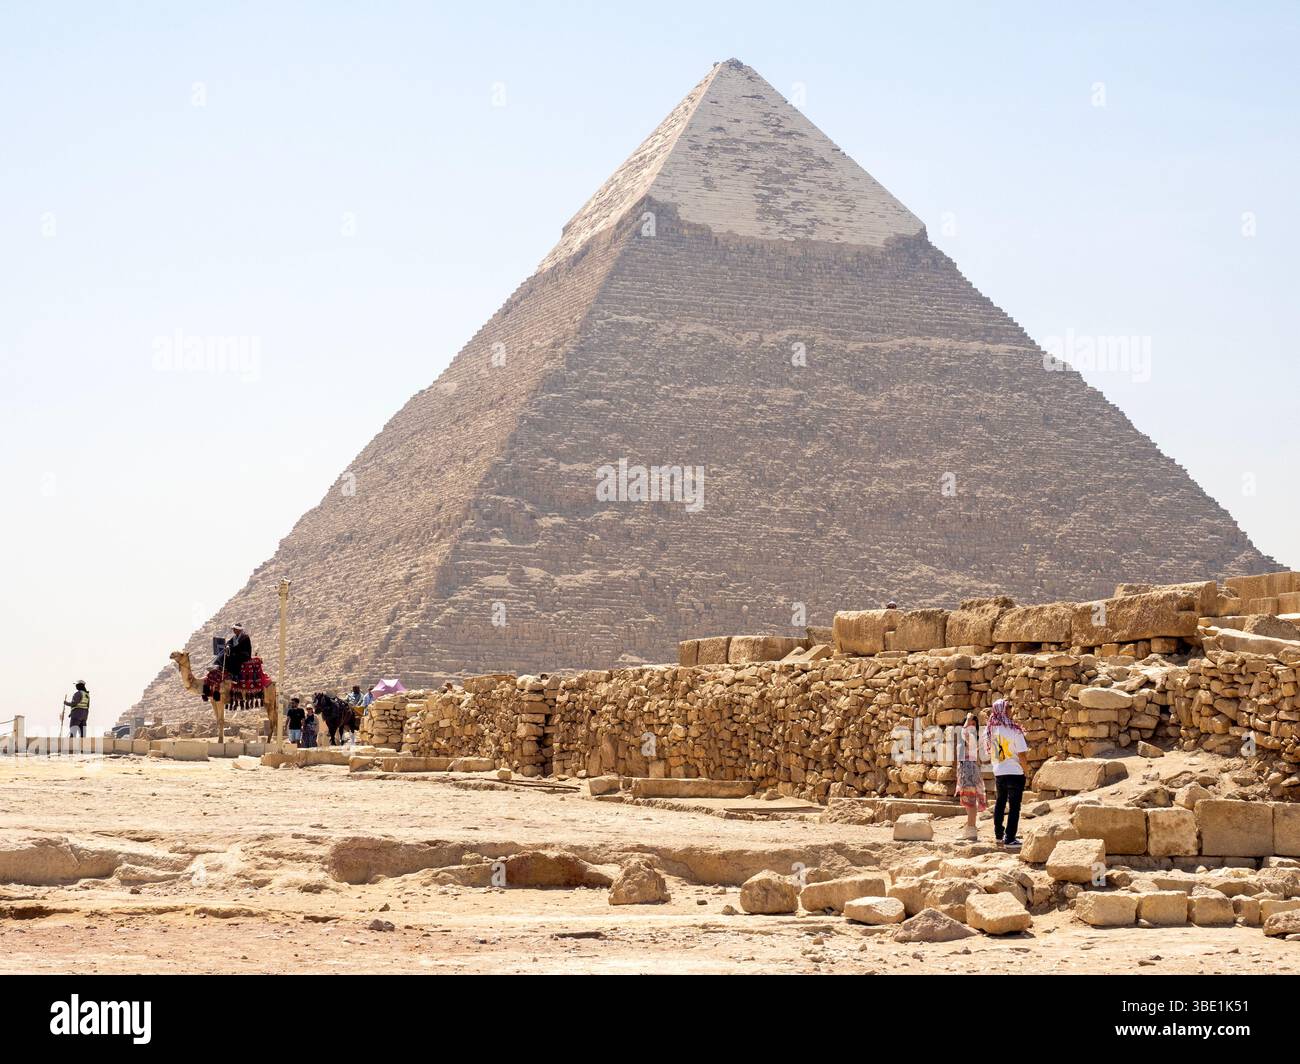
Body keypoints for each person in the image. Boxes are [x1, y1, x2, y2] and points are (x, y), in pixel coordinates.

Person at [983, 698, 1030, 847]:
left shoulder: (991, 729)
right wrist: (1026, 771)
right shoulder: (1014, 729)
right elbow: (1022, 754)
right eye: (1009, 707)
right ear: (1003, 710)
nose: (1011, 710)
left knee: (1000, 803)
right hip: (1014, 772)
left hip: (999, 772)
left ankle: (999, 835)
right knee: (1015, 806)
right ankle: (1010, 838)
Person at [954, 710, 986, 840]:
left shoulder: (970, 735)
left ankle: (971, 831)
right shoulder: (967, 736)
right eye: (969, 723)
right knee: (968, 800)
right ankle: (969, 829)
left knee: (970, 801)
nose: (970, 726)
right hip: (965, 769)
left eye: (973, 723)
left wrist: (967, 721)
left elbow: (964, 732)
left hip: (968, 769)